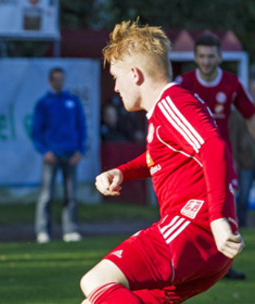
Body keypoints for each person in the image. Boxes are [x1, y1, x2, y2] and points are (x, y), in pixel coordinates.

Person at [80, 20, 244, 303]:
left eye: (116, 77)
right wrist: (123, 171)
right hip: (204, 239)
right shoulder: (166, 109)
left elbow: (214, 148)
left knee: (95, 281)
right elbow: (162, 156)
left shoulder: (171, 103)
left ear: (135, 74)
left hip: (196, 226)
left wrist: (217, 218)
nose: (116, 87)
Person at [175, 32, 255, 280]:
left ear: (220, 57)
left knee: (228, 208)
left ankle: (223, 267)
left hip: (222, 159)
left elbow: (250, 114)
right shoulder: (183, 83)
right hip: (191, 161)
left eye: (211, 56)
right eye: (202, 56)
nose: (207, 61)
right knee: (187, 212)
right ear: (195, 57)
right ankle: (182, 265)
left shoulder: (232, 83)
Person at [31, 67, 87, 243]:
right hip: (51, 156)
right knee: (46, 195)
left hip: (71, 155)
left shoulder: (73, 101)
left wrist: (80, 150)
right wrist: (44, 151)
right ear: (50, 81)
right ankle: (43, 231)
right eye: (56, 79)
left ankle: (70, 230)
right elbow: (35, 131)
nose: (59, 82)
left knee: (71, 195)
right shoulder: (43, 103)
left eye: (62, 79)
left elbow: (82, 127)